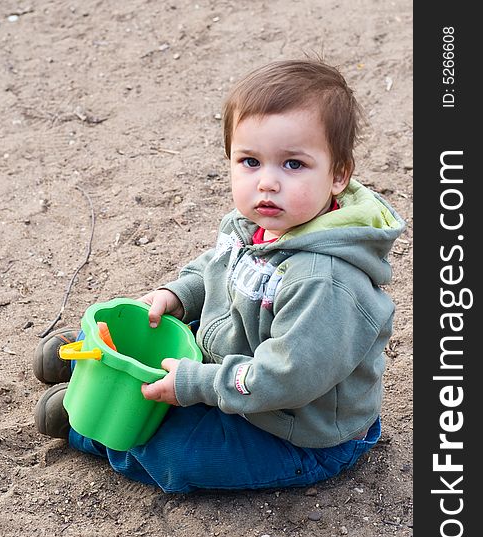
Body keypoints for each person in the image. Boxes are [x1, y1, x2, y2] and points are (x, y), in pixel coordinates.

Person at [33, 59, 406, 493]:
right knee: (163, 332)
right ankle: (99, 366)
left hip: (296, 430)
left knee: (185, 456)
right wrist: (178, 295)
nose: (267, 183)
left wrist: (197, 383)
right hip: (237, 364)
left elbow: (285, 378)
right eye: (250, 161)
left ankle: (90, 431)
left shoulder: (326, 282)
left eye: (293, 165)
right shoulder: (255, 222)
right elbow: (218, 267)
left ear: (339, 174)